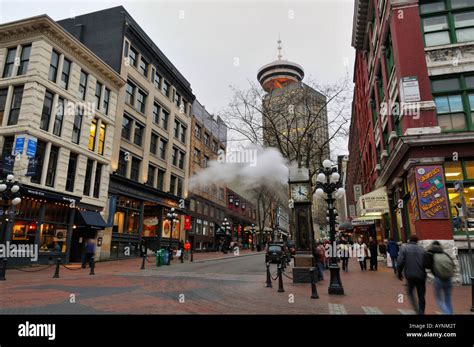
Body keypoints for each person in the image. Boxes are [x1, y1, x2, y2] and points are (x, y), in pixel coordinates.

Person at [397, 234, 429, 315]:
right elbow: (426, 264)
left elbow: (400, 262)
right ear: (417, 241)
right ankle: (421, 312)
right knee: (421, 295)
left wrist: (399, 273)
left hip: (410, 275)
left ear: (409, 240)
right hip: (421, 275)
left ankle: (416, 309)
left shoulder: (404, 248)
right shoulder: (422, 249)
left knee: (410, 292)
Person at [427, 241, 455, 314]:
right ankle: (450, 312)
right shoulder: (445, 254)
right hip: (448, 278)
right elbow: (453, 264)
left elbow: (427, 265)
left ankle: (447, 313)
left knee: (439, 299)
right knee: (448, 298)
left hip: (438, 278)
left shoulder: (431, 254)